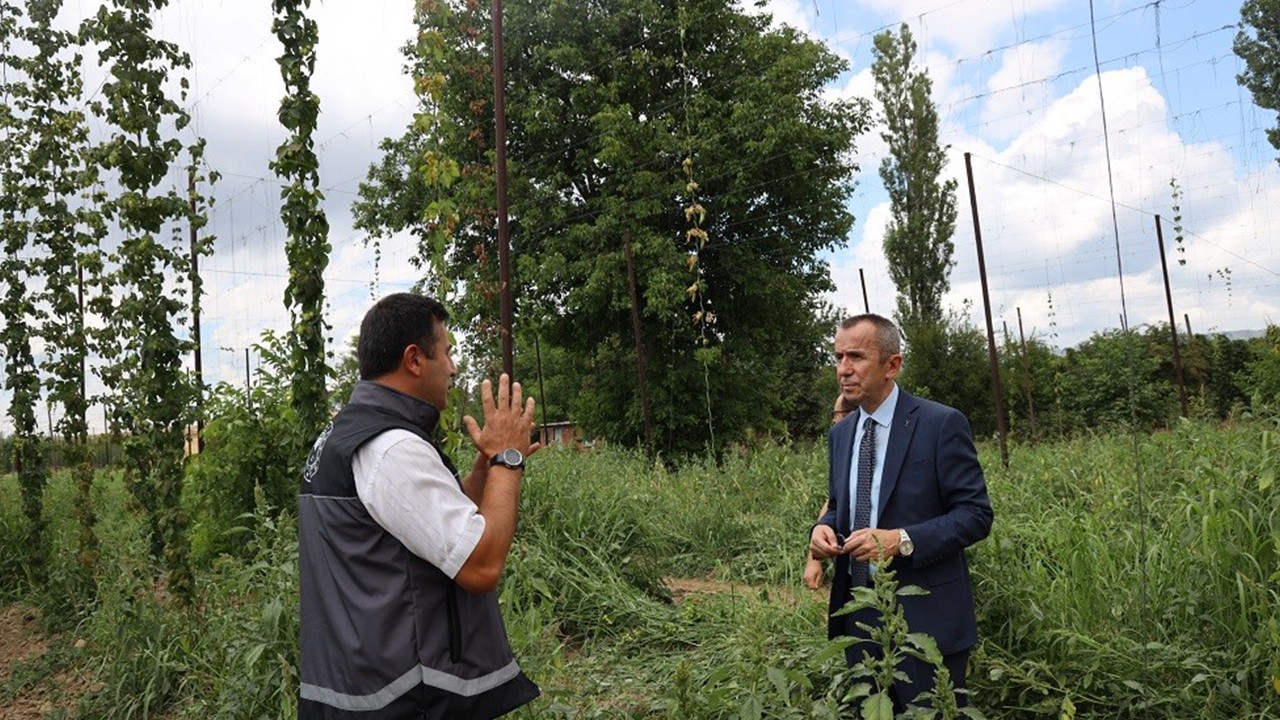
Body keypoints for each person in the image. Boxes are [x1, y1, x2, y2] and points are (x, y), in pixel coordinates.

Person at [298, 293, 541, 719]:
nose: (453, 367)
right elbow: (481, 565)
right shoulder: (392, 448)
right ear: (414, 360)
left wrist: (487, 465)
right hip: (402, 699)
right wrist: (508, 461)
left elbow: (433, 520)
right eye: (446, 352)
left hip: (356, 688)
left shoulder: (348, 434)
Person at [808, 314, 993, 709]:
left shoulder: (940, 424)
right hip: (860, 615)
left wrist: (901, 540)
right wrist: (823, 528)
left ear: (892, 365)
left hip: (926, 621)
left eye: (856, 357)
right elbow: (840, 505)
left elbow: (975, 515)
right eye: (839, 357)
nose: (843, 369)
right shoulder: (841, 433)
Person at [802, 393, 854, 590]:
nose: (834, 420)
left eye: (838, 413)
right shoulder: (839, 442)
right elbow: (832, 503)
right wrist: (814, 558)